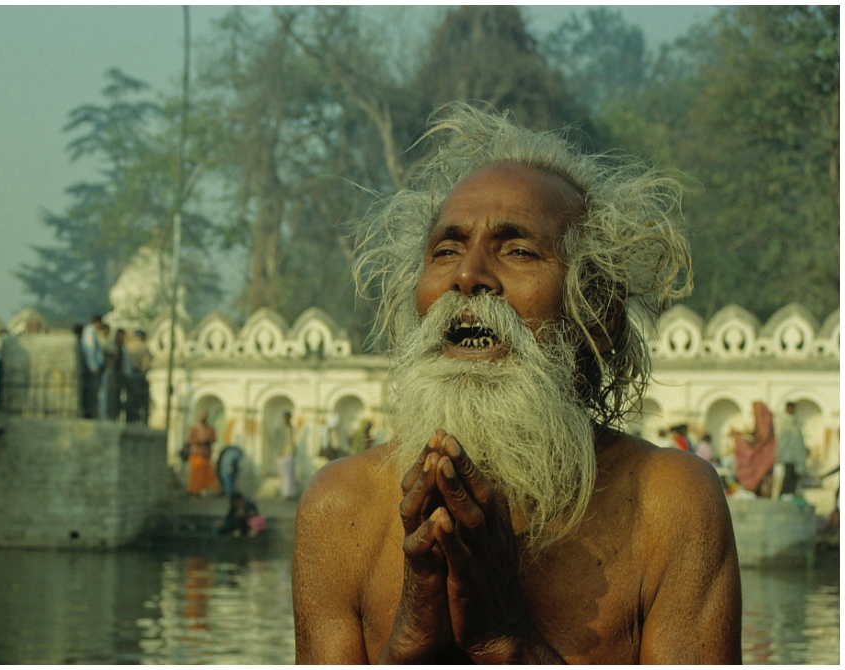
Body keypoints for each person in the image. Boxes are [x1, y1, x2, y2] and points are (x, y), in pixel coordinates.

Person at [292, 104, 741, 664]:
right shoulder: (340, 509)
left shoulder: (668, 505)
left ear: (598, 316)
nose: (467, 275)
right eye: (446, 250)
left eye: (519, 251)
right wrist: (410, 640)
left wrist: (504, 637)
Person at [733, 401, 778, 496]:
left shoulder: (765, 421)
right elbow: (757, 434)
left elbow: (763, 436)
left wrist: (740, 438)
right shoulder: (764, 420)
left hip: (766, 454)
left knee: (762, 475)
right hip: (765, 453)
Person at [775, 401, 809, 496]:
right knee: (787, 474)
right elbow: (780, 436)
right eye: (791, 408)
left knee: (795, 474)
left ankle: (790, 493)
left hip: (796, 454)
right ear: (787, 408)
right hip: (786, 453)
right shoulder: (781, 420)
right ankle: (784, 493)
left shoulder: (796, 422)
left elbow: (799, 438)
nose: (792, 410)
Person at [187, 412, 221, 495]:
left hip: (206, 454)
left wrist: (207, 440)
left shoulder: (210, 428)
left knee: (207, 473)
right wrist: (200, 441)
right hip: (197, 453)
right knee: (196, 473)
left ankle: (205, 490)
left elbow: (214, 439)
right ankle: (194, 490)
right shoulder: (195, 428)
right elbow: (191, 439)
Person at [80, 315, 104, 419]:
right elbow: (89, 350)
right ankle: (90, 414)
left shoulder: (93, 332)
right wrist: (93, 367)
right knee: (91, 392)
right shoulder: (90, 333)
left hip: (94, 367)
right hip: (92, 369)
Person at [125, 328, 151, 423]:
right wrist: (143, 373)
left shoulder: (128, 345)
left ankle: (127, 417)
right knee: (136, 398)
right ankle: (134, 418)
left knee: (128, 396)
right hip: (137, 375)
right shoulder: (144, 347)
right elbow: (146, 363)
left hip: (127, 373)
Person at [275, 411, 298, 499]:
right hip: (282, 453)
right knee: (283, 474)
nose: (288, 420)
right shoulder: (279, 428)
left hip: (290, 452)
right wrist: (278, 452)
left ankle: (290, 493)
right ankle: (284, 492)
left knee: (290, 474)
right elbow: (276, 441)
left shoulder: (291, 428)